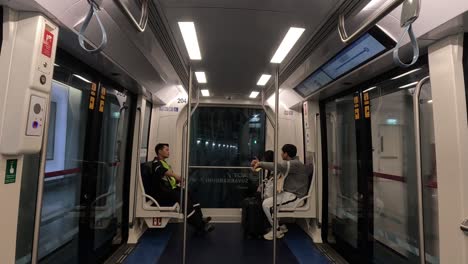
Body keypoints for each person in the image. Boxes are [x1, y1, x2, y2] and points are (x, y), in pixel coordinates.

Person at [144, 143, 214, 235]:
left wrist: (177, 181)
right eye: (166, 150)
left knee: (191, 193)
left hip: (170, 190)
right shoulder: (156, 163)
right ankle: (199, 226)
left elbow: (168, 179)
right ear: (160, 151)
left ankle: (200, 219)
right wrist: (177, 176)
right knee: (185, 200)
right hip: (162, 193)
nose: (169, 152)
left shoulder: (164, 163)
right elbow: (161, 171)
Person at [251, 144, 308, 240]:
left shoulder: (293, 164)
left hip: (296, 198)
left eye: (282, 152)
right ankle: (279, 227)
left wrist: (260, 163)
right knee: (270, 200)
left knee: (266, 204)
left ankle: (276, 231)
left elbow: (278, 166)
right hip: (291, 195)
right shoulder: (293, 164)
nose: (281, 154)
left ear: (286, 154)